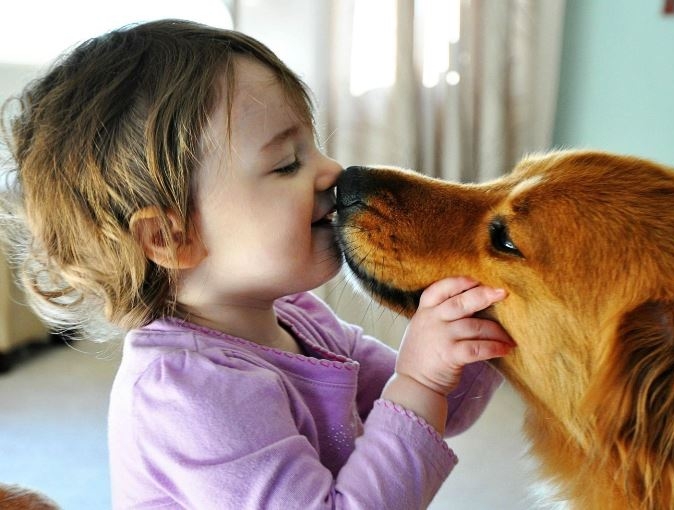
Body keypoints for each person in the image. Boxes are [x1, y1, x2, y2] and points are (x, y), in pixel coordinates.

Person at [0, 19, 513, 509]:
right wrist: (418, 384)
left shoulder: (300, 317)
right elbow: (416, 399)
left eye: (313, 148)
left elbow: (446, 409)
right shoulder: (183, 391)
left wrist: (470, 330)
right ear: (170, 236)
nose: (332, 171)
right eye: (287, 163)